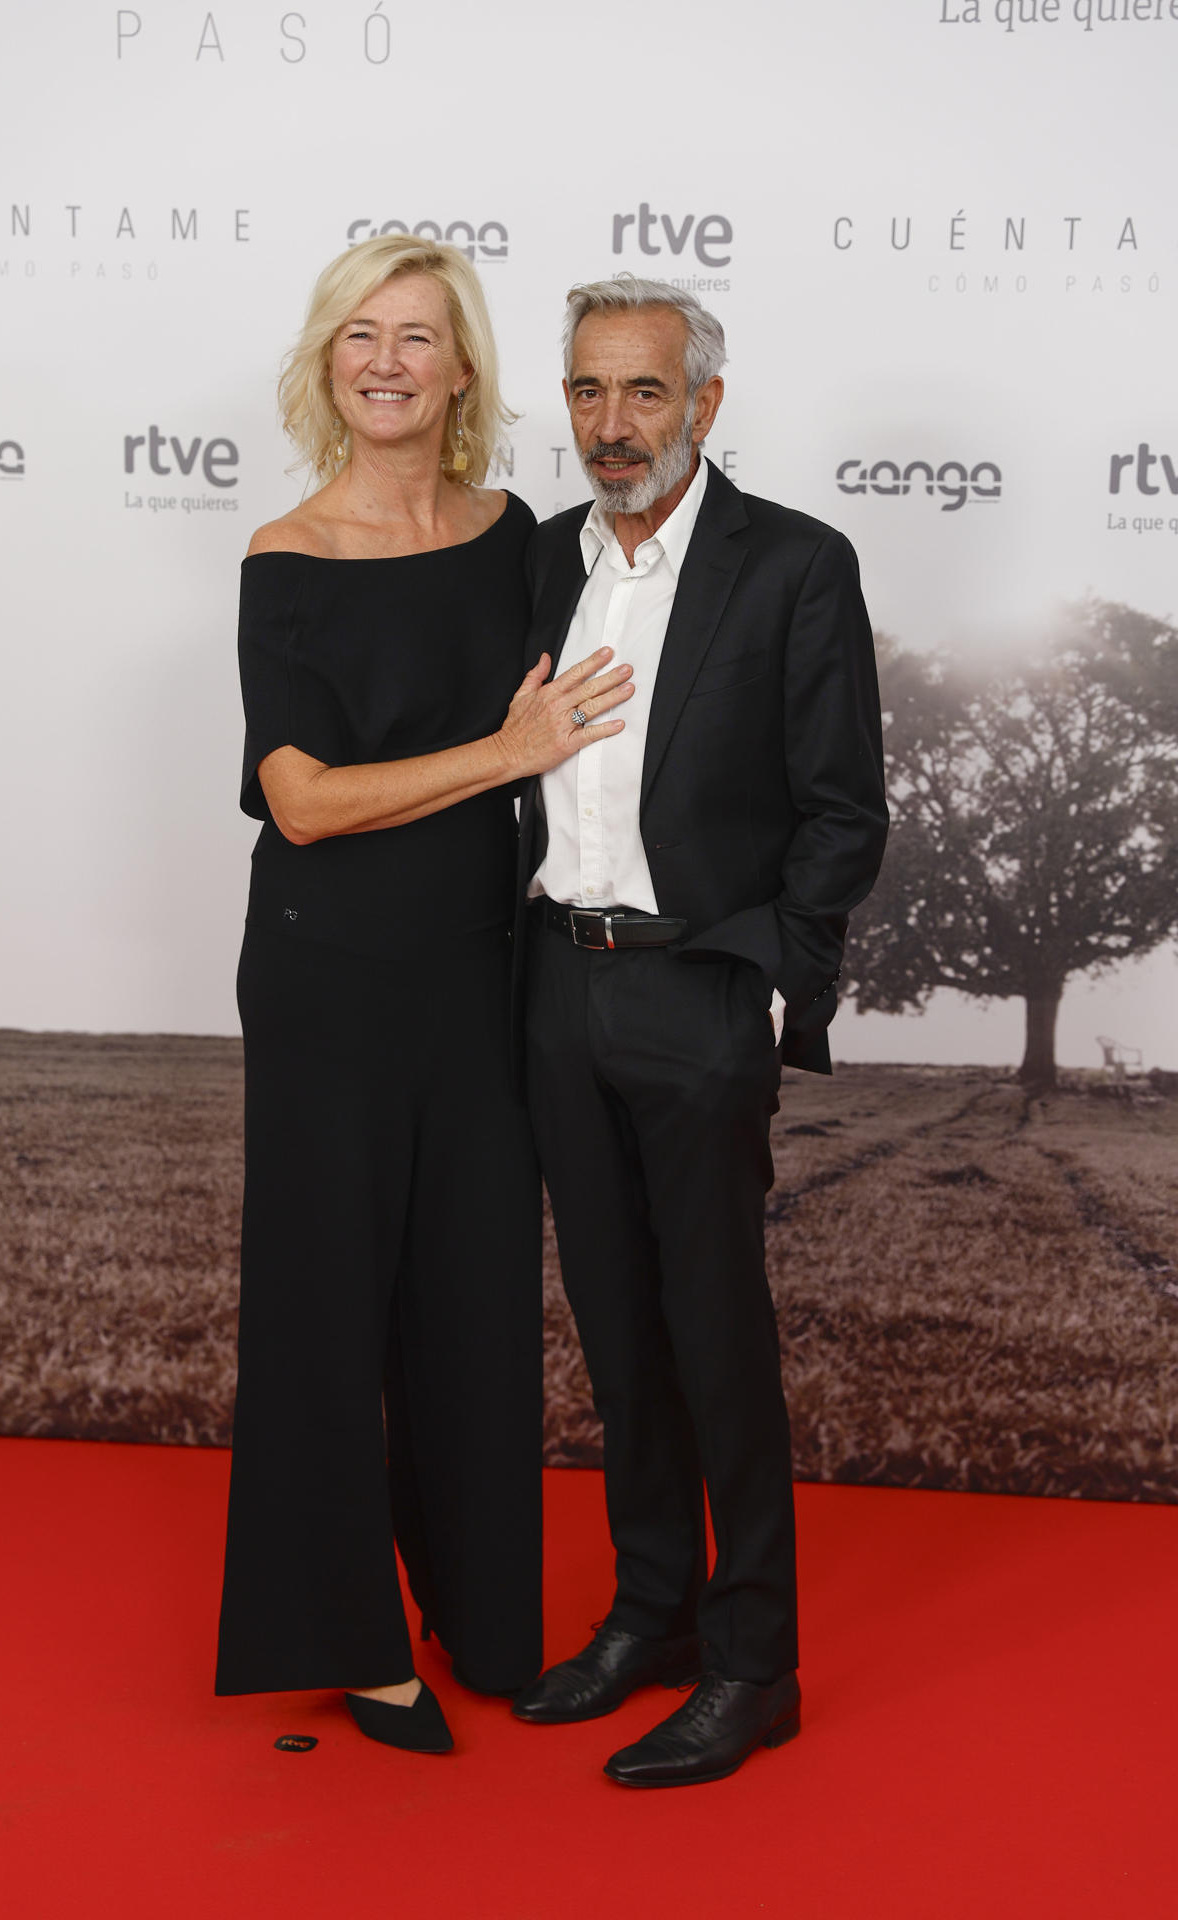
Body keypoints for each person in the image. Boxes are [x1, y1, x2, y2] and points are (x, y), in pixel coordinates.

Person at [214, 235, 635, 1755]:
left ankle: (484, 1610)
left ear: (463, 372)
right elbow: (306, 801)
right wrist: (499, 761)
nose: (388, 361)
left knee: (471, 1295)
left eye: (419, 338)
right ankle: (349, 1631)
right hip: (328, 969)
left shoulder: (516, 533)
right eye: (360, 338)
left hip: (478, 971)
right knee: (330, 1300)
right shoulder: (287, 555)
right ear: (330, 366)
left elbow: (610, 666)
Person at [510, 276, 888, 1786]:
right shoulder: (532, 563)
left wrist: (769, 987)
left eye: (646, 393)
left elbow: (842, 809)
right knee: (614, 1327)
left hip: (700, 991)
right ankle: (651, 1614)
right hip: (556, 986)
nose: (614, 426)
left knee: (717, 1338)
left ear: (705, 405)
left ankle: (753, 1661)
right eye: (590, 393)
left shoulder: (794, 564)